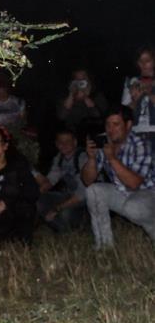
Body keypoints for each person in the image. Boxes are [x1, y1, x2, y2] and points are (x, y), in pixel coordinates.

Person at [81, 106, 155, 249]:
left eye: (116, 124)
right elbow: (87, 181)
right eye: (108, 125)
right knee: (93, 191)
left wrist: (112, 159)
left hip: (148, 194)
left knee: (133, 207)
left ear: (128, 125)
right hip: (123, 193)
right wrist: (91, 159)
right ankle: (104, 245)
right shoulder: (105, 142)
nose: (110, 129)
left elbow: (134, 184)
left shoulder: (141, 145)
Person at [36, 127, 88, 233]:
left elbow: (82, 194)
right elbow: (50, 182)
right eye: (60, 142)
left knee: (64, 213)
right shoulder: (59, 158)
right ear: (56, 143)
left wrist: (57, 208)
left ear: (75, 142)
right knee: (38, 201)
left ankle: (77, 226)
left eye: (67, 141)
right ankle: (66, 228)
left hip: (85, 199)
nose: (63, 144)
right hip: (68, 196)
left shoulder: (83, 157)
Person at [121, 46, 155, 153]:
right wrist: (135, 100)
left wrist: (149, 93)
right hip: (135, 133)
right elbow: (124, 114)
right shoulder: (132, 82)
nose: (144, 64)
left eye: (147, 60)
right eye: (140, 61)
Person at [56, 69, 108, 136]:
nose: (80, 82)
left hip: (95, 136)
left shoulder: (98, 97)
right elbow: (61, 116)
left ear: (90, 81)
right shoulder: (66, 98)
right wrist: (71, 94)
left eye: (83, 79)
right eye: (77, 80)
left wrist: (85, 97)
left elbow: (98, 116)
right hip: (73, 139)